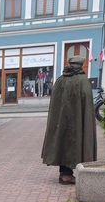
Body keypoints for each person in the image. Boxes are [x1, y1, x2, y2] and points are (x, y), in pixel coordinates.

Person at [42, 55, 97, 184]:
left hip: (61, 120)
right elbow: (87, 104)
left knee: (62, 141)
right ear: (81, 65)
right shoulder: (83, 81)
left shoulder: (60, 80)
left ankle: (65, 173)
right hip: (78, 121)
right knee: (76, 142)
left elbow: (55, 104)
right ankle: (70, 173)